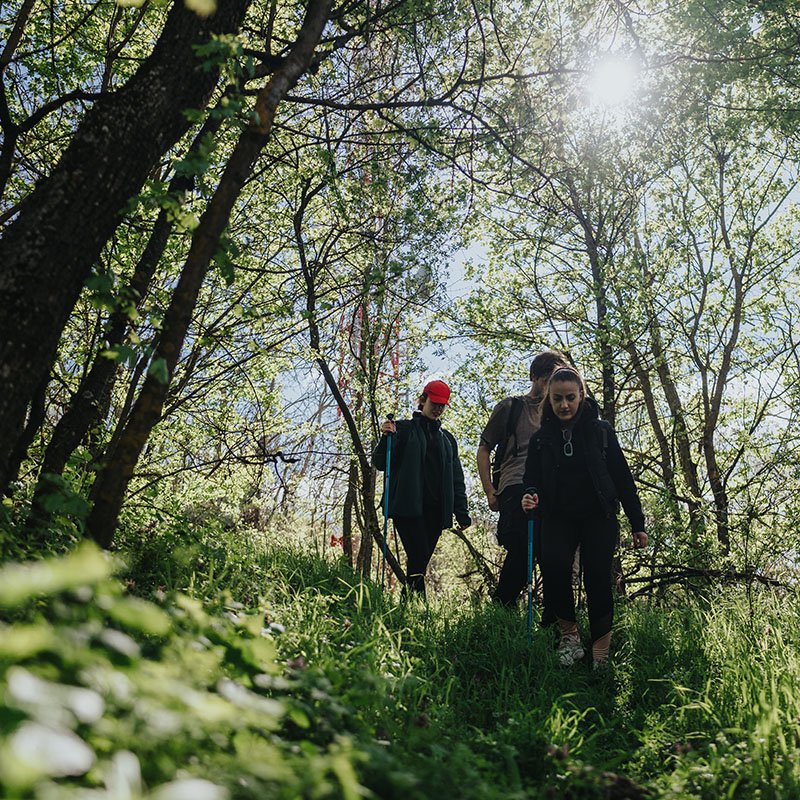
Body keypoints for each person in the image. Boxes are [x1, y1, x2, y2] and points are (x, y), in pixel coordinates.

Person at [521, 366, 647, 669]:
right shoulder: (541, 439)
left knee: (598, 578)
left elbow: (622, 478)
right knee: (553, 568)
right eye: (558, 399)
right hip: (557, 516)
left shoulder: (600, 431)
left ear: (581, 397)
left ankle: (600, 651)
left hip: (598, 516)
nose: (564, 405)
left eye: (570, 398)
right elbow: (531, 479)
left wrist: (637, 524)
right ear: (549, 400)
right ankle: (570, 637)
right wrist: (529, 496)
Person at [477, 350, 568, 609]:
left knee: (550, 553)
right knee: (521, 548)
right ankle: (502, 607)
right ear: (535, 377)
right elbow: (484, 449)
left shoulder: (560, 412)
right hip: (515, 485)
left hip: (551, 489)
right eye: (549, 378)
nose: (552, 384)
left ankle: (551, 620)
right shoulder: (511, 407)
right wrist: (489, 491)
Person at [372, 379, 472, 597]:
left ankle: (409, 609)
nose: (437, 408)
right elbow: (380, 463)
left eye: (441, 405)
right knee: (418, 556)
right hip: (407, 507)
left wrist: (462, 513)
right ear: (423, 400)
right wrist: (385, 438)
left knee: (419, 563)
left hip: (436, 512)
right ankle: (419, 608)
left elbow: (456, 478)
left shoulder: (448, 440)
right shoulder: (403, 429)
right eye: (434, 402)